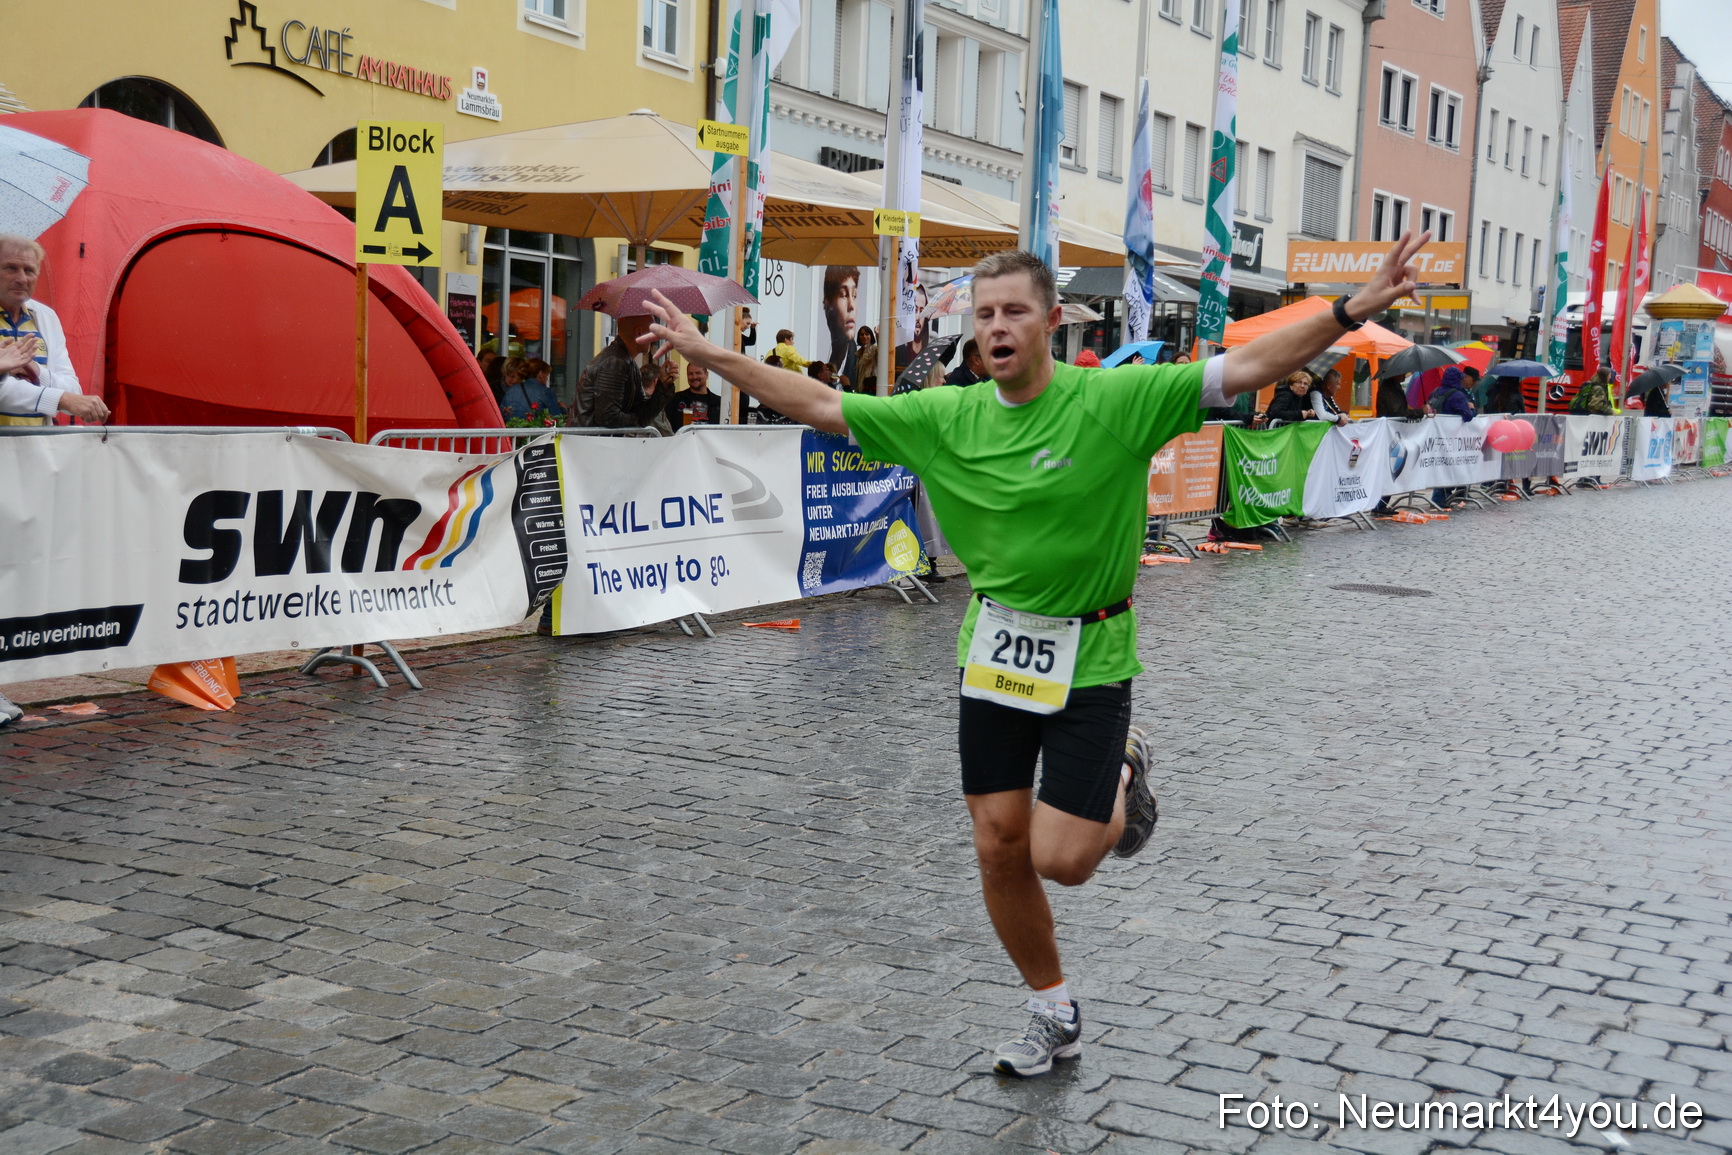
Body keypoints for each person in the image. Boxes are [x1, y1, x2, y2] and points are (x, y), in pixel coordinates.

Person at [639, 231, 1431, 1079]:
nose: (998, 326)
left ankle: (1123, 772)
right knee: (998, 843)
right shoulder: (944, 416)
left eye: (1015, 310)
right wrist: (706, 353)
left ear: (1051, 320)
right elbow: (821, 405)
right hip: (997, 649)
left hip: (1092, 652)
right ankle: (1051, 1006)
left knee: (1063, 858)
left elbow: (1245, 368)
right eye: (985, 315)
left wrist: (1348, 311)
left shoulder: (1117, 402)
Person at [0, 235, 109, 426]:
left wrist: (34, 370)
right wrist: (60, 399)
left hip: (37, 447)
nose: (22, 278)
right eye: (11, 268)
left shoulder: (45, 316)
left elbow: (74, 389)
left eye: (30, 270)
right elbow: (3, 392)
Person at [572, 312, 673, 431]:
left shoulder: (626, 362)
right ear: (639, 333)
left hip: (595, 443)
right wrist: (637, 419)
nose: (656, 337)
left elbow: (644, 413)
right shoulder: (615, 362)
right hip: (590, 444)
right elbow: (608, 418)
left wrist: (664, 384)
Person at [1426, 366, 1476, 508]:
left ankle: (1442, 497)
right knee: (1450, 467)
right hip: (1453, 438)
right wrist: (1471, 409)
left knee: (1441, 466)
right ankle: (1439, 498)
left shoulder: (1434, 392)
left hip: (1436, 437)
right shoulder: (1457, 395)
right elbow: (1467, 417)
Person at [823, 266, 860, 390]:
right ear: (827, 304)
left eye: (854, 295)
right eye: (843, 295)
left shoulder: (854, 355)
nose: (851, 306)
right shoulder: (833, 359)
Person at [501, 357, 565, 424]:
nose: (547, 379)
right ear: (540, 374)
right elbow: (557, 418)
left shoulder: (511, 390)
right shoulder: (545, 392)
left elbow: (502, 413)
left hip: (511, 432)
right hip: (535, 433)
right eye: (546, 375)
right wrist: (563, 409)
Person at [668, 362, 724, 427]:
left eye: (698, 373)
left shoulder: (719, 403)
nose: (694, 377)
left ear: (706, 375)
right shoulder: (675, 399)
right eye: (690, 374)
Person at [854, 326, 879, 394]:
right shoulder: (859, 353)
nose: (864, 336)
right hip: (861, 389)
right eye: (862, 334)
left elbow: (882, 353)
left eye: (867, 334)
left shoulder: (874, 349)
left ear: (871, 336)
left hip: (870, 389)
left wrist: (878, 336)